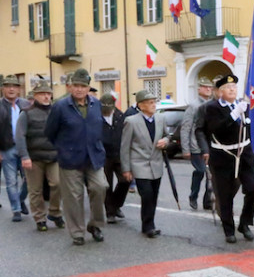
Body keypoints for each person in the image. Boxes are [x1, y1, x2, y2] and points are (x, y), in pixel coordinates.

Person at [44, 68, 108, 246]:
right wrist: (63, 149)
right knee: (74, 196)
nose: (79, 89)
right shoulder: (60, 106)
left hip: (93, 156)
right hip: (70, 159)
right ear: (70, 87)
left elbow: (99, 128)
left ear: (88, 88)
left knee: (100, 187)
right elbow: (50, 132)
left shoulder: (96, 104)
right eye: (76, 86)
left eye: (83, 86)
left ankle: (95, 225)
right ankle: (77, 232)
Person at [195, 74, 254, 244]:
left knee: (252, 189)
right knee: (225, 195)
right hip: (223, 156)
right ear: (220, 92)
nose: (232, 90)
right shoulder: (212, 108)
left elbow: (248, 131)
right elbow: (216, 129)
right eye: (228, 88)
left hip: (243, 153)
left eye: (234, 88)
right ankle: (228, 229)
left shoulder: (242, 105)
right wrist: (233, 114)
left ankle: (245, 224)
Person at [15, 81, 64, 231]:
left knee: (57, 184)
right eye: (42, 94)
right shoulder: (26, 113)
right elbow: (20, 136)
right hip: (34, 158)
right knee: (35, 190)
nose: (46, 97)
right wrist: (24, 156)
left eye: (48, 94)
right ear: (35, 96)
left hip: (54, 156)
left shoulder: (56, 111)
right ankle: (39, 218)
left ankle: (55, 212)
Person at [120, 90, 169, 238]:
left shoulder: (160, 119)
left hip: (156, 164)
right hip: (139, 164)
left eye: (154, 102)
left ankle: (150, 224)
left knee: (153, 195)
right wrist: (126, 169)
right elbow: (125, 146)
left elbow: (167, 136)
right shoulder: (131, 121)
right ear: (141, 106)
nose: (153, 105)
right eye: (149, 102)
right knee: (146, 195)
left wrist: (165, 142)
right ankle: (148, 226)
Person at [0, 74, 31, 221]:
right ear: (2, 89)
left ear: (19, 89)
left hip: (24, 148)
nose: (11, 89)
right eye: (8, 86)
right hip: (6, 148)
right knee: (11, 181)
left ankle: (20, 199)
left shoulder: (26, 105)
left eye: (14, 86)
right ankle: (16, 210)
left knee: (29, 179)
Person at [181, 77, 214, 211]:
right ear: (199, 89)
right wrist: (185, 149)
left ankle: (207, 201)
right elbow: (186, 127)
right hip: (196, 147)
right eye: (205, 87)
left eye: (210, 87)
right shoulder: (193, 106)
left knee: (210, 175)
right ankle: (193, 196)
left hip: (209, 146)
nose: (208, 89)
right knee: (200, 171)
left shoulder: (212, 104)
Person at [100, 93, 130, 224]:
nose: (106, 112)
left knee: (125, 180)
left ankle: (116, 204)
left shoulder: (120, 116)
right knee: (106, 185)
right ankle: (110, 212)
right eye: (104, 109)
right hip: (103, 156)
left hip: (118, 154)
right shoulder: (96, 117)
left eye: (109, 109)